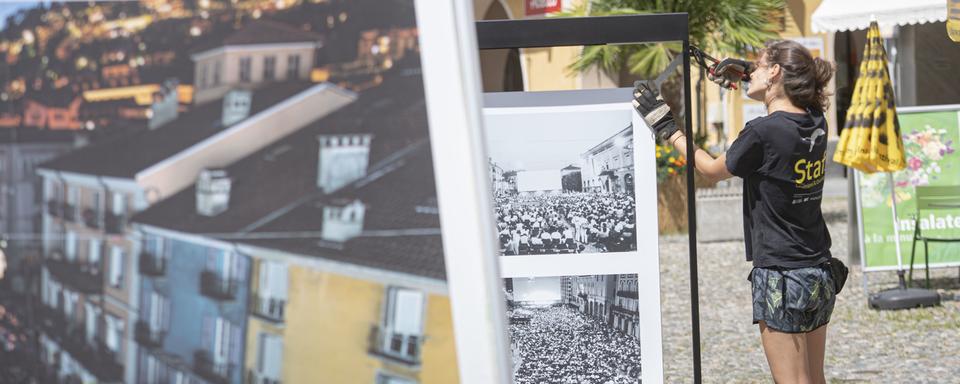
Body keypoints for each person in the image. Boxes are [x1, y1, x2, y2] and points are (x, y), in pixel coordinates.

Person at [634, 40, 837, 384]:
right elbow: (786, 97)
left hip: (781, 275)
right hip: (817, 270)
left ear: (775, 73)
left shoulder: (762, 132)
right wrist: (747, 71)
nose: (750, 73)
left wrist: (667, 127)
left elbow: (712, 170)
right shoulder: (816, 123)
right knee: (814, 380)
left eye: (758, 66)